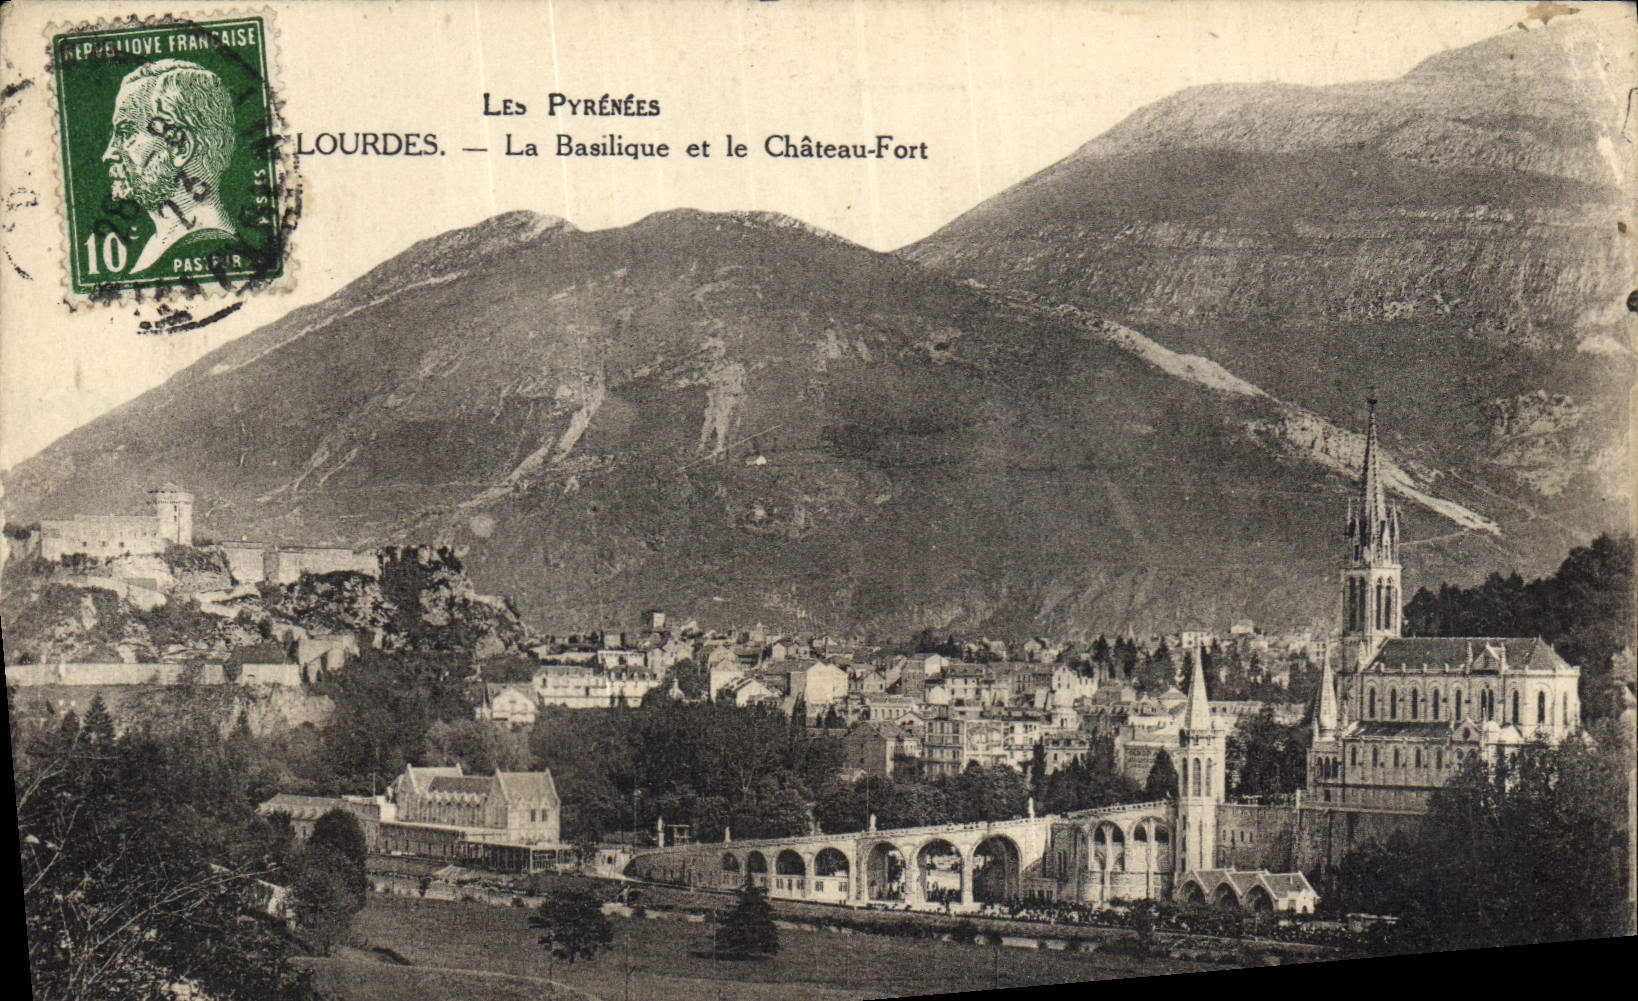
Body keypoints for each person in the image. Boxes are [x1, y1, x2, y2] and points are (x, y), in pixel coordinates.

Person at [101, 58, 239, 274]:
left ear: (180, 147)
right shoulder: (160, 245)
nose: (108, 154)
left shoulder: (202, 246)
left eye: (126, 133)